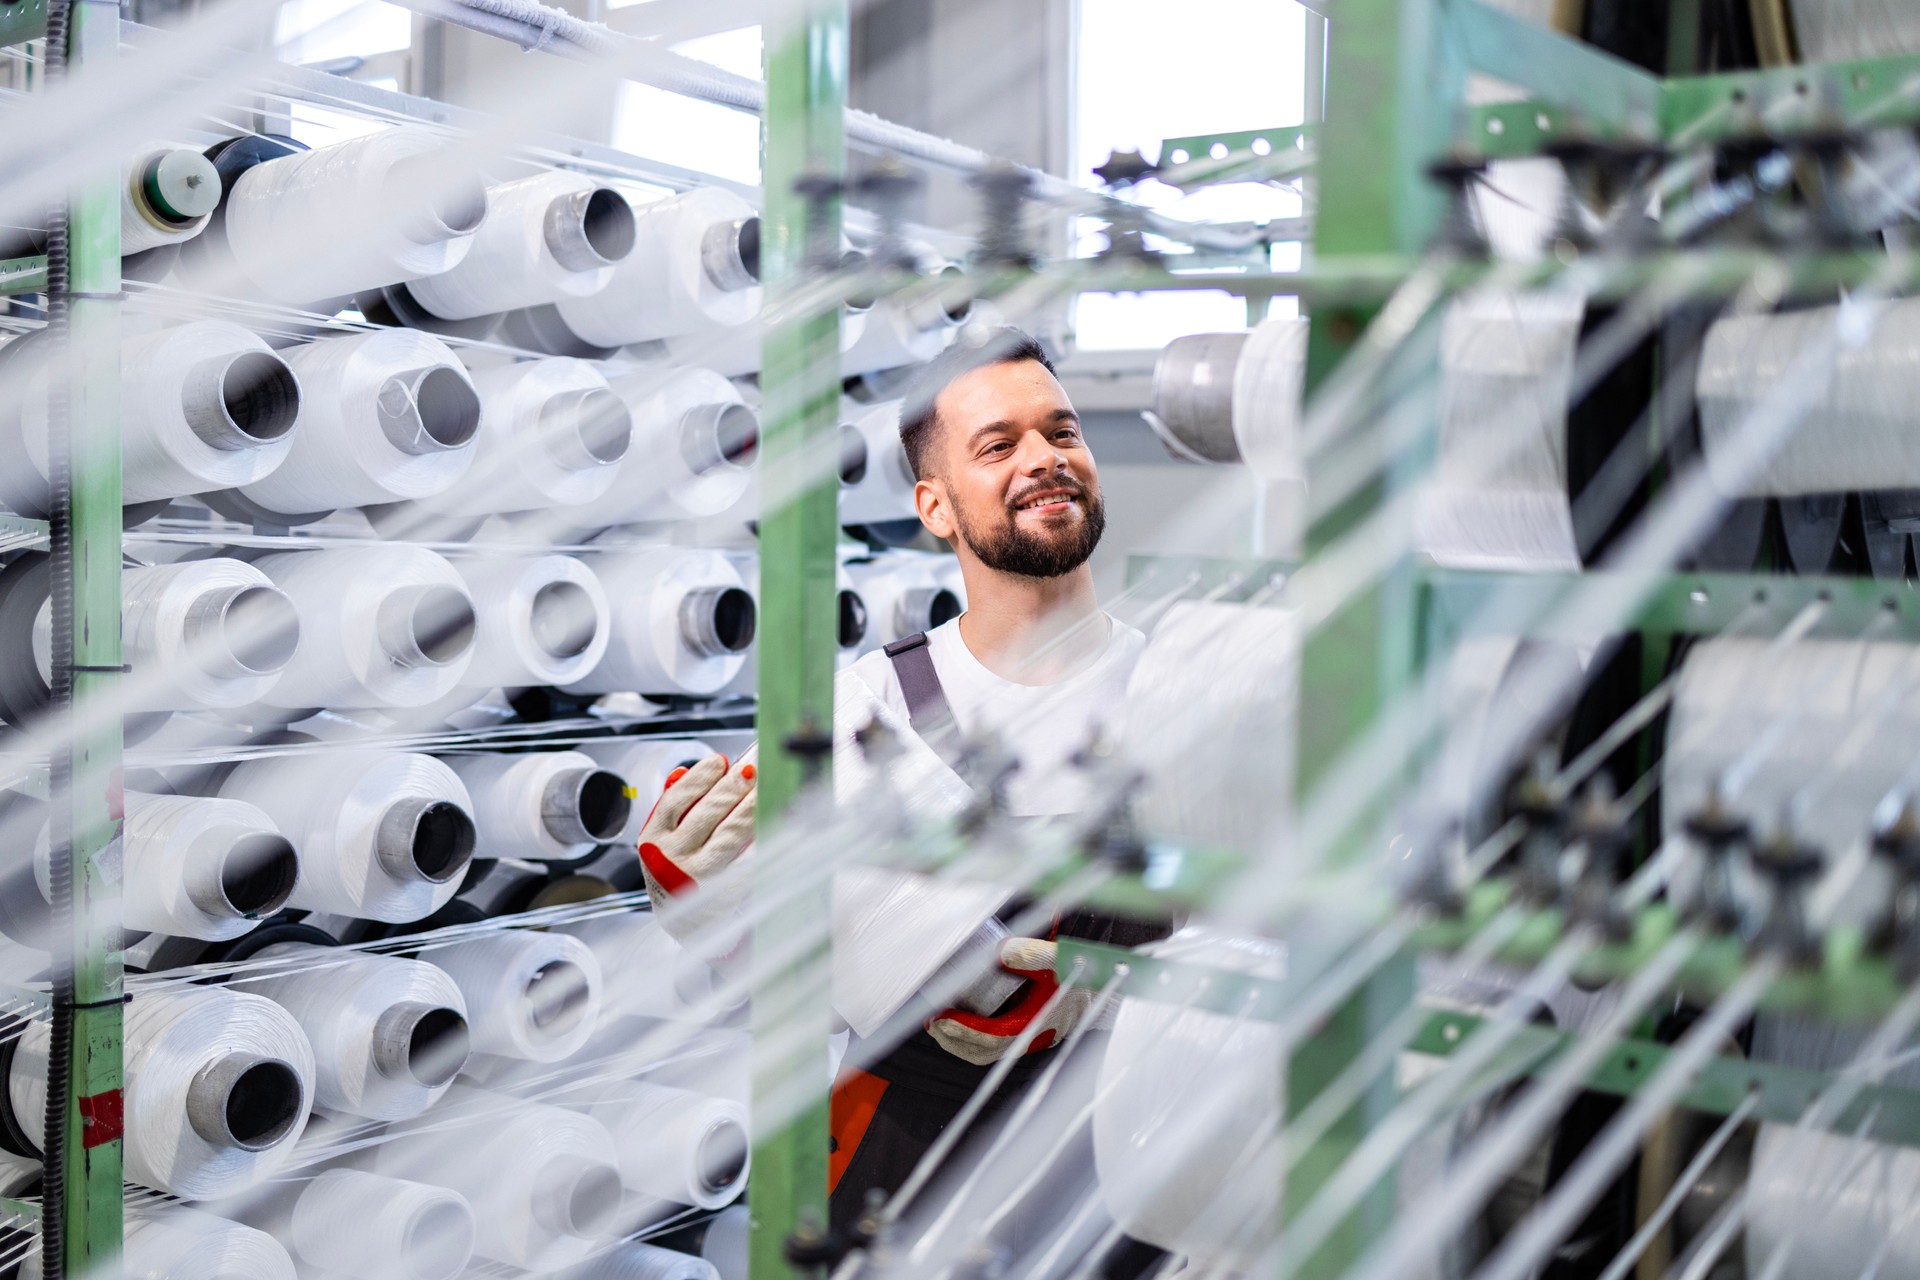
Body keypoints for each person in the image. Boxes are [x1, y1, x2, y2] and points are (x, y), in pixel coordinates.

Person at [631, 328, 1167, 1263]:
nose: (1045, 458)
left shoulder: (1185, 693)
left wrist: (1114, 991)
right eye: (998, 446)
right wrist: (709, 908)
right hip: (909, 1179)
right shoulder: (862, 713)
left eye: (1062, 431)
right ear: (935, 507)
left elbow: (1281, 931)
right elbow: (799, 976)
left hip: (1134, 1172)